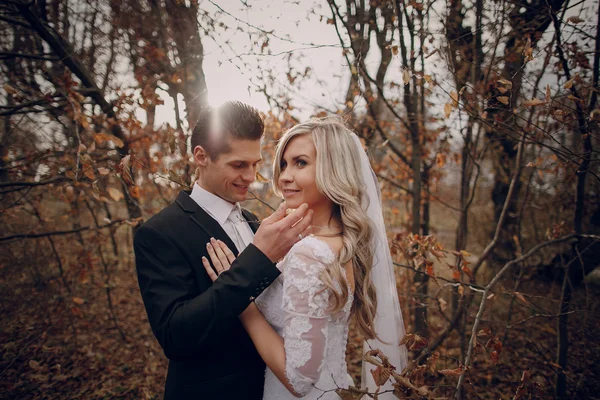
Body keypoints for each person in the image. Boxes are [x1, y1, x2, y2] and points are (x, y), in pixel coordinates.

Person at [203, 116, 408, 399]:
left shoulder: (309, 253)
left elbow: (299, 381)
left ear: (333, 170)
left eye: (301, 163)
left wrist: (242, 304)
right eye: (284, 164)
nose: (285, 175)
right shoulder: (342, 242)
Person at [133, 101, 313, 400]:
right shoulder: (160, 233)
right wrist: (259, 259)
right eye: (238, 165)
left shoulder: (255, 224)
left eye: (255, 164)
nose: (251, 176)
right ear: (201, 156)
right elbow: (175, 337)